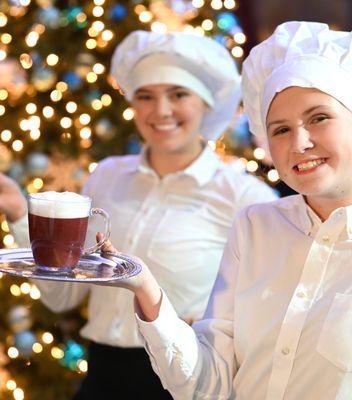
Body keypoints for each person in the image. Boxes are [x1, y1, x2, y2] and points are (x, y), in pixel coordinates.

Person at [94, 21, 352, 399]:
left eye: (319, 118)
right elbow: (209, 384)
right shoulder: (256, 226)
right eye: (280, 130)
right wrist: (146, 288)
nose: (299, 142)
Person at [3, 31, 278, 399]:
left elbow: (270, 311)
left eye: (179, 94)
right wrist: (19, 211)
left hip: (184, 384)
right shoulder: (108, 176)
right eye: (145, 96)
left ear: (208, 104)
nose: (160, 111)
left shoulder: (246, 196)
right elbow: (62, 296)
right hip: (102, 377)